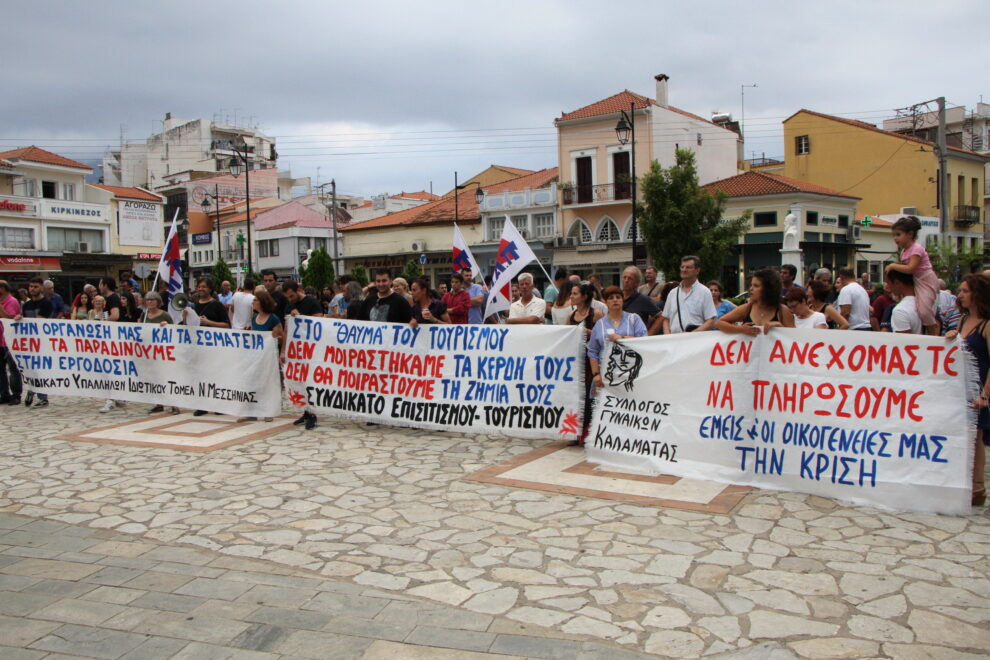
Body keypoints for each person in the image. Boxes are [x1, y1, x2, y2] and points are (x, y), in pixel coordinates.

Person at [944, 274, 990, 505]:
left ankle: (977, 487)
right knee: (964, 436)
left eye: (964, 291)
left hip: (979, 387)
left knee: (977, 437)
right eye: (959, 291)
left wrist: (985, 395)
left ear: (977, 294)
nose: (960, 295)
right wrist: (951, 337)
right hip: (959, 388)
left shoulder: (987, 324)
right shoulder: (962, 321)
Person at [587, 285, 647, 398]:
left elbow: (644, 342)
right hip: (605, 374)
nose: (615, 300)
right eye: (611, 297)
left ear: (622, 300)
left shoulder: (634, 319)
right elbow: (592, 351)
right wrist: (596, 374)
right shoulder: (599, 324)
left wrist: (622, 338)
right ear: (606, 302)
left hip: (629, 375)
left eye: (618, 297)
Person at [885, 215, 938, 335]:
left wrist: (893, 266)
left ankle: (933, 332)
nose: (895, 238)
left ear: (910, 234)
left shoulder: (916, 248)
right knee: (919, 306)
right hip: (917, 278)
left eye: (898, 234)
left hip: (926, 279)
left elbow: (911, 268)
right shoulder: (904, 251)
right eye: (894, 235)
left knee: (924, 310)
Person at [717, 269, 795, 335]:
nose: (751, 289)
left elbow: (795, 338)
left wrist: (780, 327)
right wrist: (741, 329)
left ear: (768, 289)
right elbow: (720, 323)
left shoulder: (782, 311)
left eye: (756, 286)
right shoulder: (747, 308)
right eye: (751, 285)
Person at [16, 277, 53, 408]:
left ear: (41, 288)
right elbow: (25, 321)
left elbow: (39, 320)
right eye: (31, 286)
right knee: (30, 369)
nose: (32, 289)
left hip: (42, 342)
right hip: (29, 342)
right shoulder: (26, 305)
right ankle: (32, 390)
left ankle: (42, 397)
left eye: (35, 286)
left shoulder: (46, 303)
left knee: (40, 369)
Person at [143, 292, 179, 414]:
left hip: (164, 352)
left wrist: (166, 326)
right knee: (154, 378)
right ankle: (159, 403)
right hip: (150, 351)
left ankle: (174, 404)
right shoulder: (144, 314)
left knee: (167, 377)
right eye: (148, 300)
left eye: (152, 300)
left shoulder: (165, 315)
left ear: (158, 301)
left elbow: (173, 331)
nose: (150, 302)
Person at [662, 256, 717, 334]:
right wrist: (667, 336)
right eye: (682, 267)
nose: (684, 270)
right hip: (674, 341)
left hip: (696, 341)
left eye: (688, 267)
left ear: (697, 270)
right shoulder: (673, 293)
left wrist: (692, 334)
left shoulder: (704, 292)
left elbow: (711, 320)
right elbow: (666, 319)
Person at [0, 280, 24, 405]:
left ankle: (16, 394)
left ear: (3, 288)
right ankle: (4, 394)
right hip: (0, 340)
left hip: (9, 340)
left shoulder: (11, 301)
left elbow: (10, 319)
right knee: (1, 370)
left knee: (13, 369)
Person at [886, 269, 922, 334]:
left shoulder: (900, 310)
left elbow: (904, 342)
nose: (888, 288)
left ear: (897, 283)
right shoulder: (926, 303)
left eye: (889, 283)